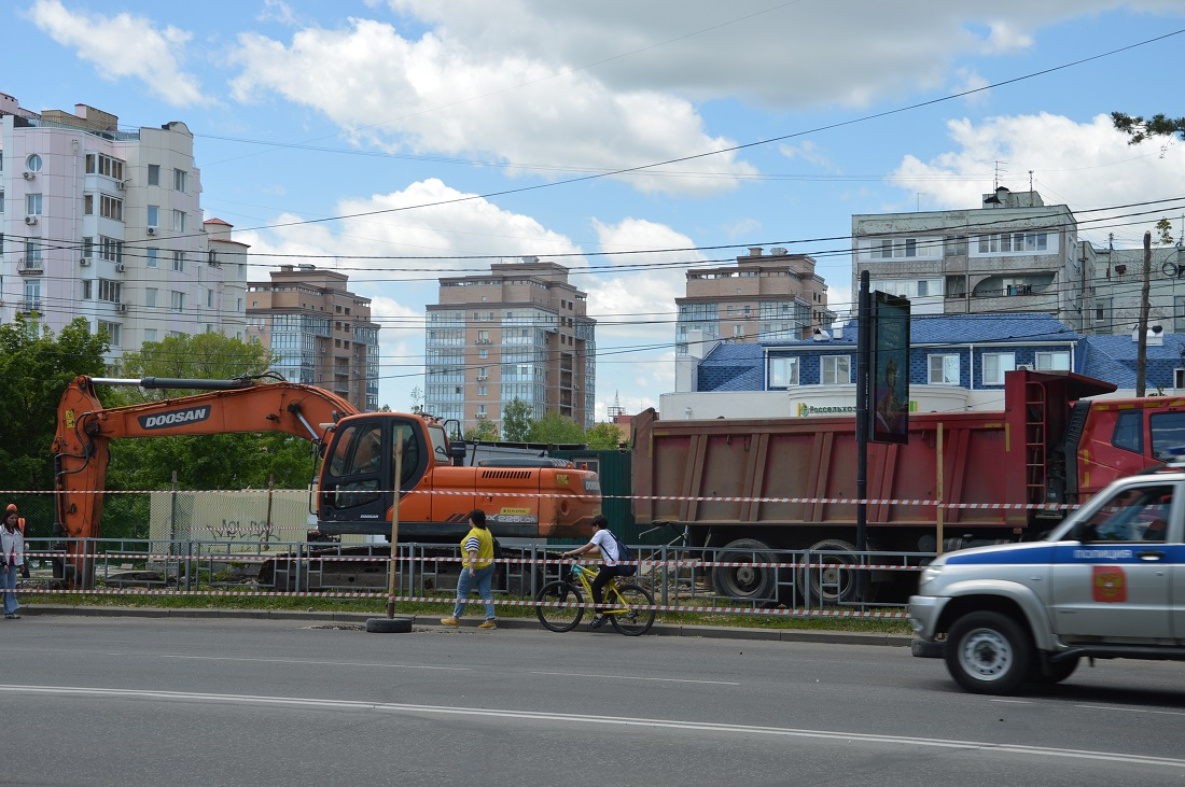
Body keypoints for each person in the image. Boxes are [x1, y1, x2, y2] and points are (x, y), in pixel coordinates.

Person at [561, 515, 623, 630]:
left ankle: (599, 615)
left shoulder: (601, 533)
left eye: (593, 528)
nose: (592, 530)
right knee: (601, 580)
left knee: (595, 586)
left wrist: (570, 553)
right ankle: (608, 601)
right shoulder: (608, 532)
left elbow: (588, 547)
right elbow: (597, 549)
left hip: (612, 565)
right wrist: (581, 553)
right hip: (614, 564)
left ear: (597, 526)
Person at [441, 509, 497, 630]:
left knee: (462, 591)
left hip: (474, 567)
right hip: (488, 566)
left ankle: (455, 618)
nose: (468, 520)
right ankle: (490, 620)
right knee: (486, 593)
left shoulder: (474, 534)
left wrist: (471, 568)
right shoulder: (486, 531)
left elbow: (473, 551)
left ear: (473, 520)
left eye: (469, 518)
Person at [2, 505, 26, 619]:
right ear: (6, 518)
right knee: (3, 586)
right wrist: (3, 563)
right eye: (11, 518)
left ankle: (10, 611)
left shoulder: (17, 532)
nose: (14, 520)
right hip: (3, 564)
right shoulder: (1, 531)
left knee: (10, 587)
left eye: (15, 518)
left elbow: (19, 549)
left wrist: (21, 564)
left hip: (12, 564)